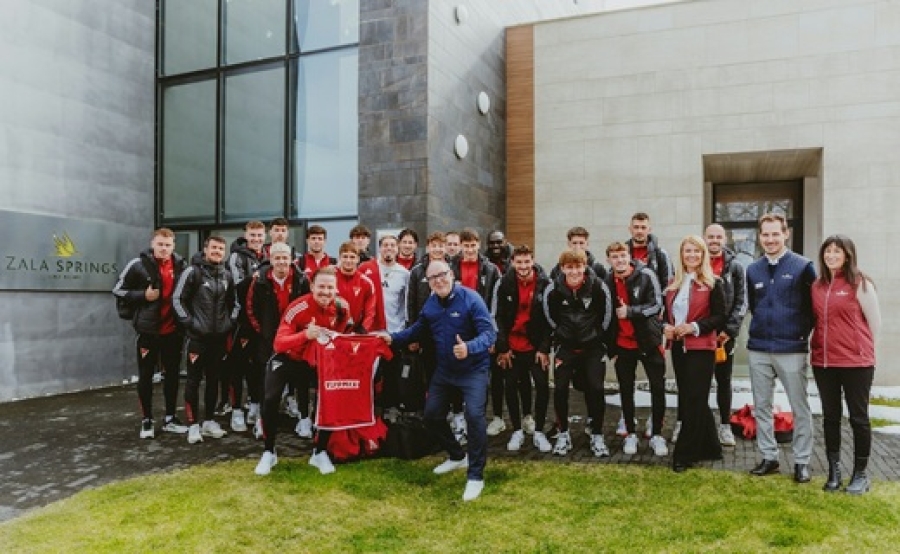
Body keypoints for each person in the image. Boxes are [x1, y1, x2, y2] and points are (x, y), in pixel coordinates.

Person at [379, 260, 497, 502]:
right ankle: (456, 455)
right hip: (445, 370)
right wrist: (392, 338)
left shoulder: (471, 299)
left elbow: (489, 334)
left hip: (473, 369)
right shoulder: (431, 303)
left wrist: (469, 347)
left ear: (451, 274)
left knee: (474, 417)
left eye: (442, 275)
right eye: (432, 278)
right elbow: (417, 330)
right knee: (432, 416)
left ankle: (475, 475)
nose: (438, 281)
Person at [255, 266, 354, 476]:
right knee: (270, 397)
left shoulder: (341, 308)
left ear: (336, 289)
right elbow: (279, 343)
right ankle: (269, 451)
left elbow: (340, 333)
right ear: (312, 286)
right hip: (288, 358)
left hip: (315, 361)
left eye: (330, 288)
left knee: (329, 398)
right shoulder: (298, 307)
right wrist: (305, 335)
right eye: (321, 287)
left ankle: (319, 452)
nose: (325, 292)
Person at [745, 213, 816, 483]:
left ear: (786, 234)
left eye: (776, 234)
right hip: (759, 348)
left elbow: (813, 308)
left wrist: (799, 333)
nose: (770, 239)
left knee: (799, 407)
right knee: (762, 406)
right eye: (765, 234)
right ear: (759, 236)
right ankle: (769, 457)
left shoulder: (803, 266)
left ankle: (801, 461)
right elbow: (754, 306)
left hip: (791, 348)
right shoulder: (753, 269)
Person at [811, 235, 881, 495]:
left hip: (856, 363)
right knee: (830, 417)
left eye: (837, 251)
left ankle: (860, 474)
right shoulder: (817, 285)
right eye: (827, 251)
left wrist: (862, 351)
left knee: (858, 418)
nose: (831, 255)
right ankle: (834, 471)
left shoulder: (861, 284)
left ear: (848, 255)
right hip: (824, 362)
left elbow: (875, 324)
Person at [112, 227, 188, 439]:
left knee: (172, 376)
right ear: (153, 244)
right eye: (160, 244)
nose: (164, 248)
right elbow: (118, 289)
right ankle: (147, 420)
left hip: (173, 332)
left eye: (168, 245)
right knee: (145, 376)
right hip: (148, 331)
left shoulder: (181, 266)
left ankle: (170, 418)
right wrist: (143, 296)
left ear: (173, 246)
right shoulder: (138, 264)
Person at [663, 235, 726, 472]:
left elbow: (720, 317)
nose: (692, 255)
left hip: (701, 348)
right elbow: (665, 315)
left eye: (696, 251)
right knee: (691, 396)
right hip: (679, 348)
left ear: (703, 255)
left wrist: (694, 327)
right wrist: (665, 327)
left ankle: (684, 454)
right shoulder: (672, 284)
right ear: (681, 255)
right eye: (688, 251)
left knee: (694, 400)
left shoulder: (713, 283)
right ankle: (711, 447)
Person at [542, 249, 612, 457]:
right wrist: (562, 335)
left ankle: (597, 433)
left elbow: (606, 317)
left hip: (592, 347)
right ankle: (563, 433)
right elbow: (549, 317)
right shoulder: (553, 289)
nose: (574, 271)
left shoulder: (598, 286)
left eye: (578, 266)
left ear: (585, 266)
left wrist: (596, 337)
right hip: (565, 347)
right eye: (569, 267)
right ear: (562, 268)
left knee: (596, 388)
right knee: (560, 389)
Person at [173, 235, 239, 444]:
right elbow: (177, 299)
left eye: (221, 249)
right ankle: (193, 425)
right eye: (214, 248)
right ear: (205, 249)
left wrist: (229, 324)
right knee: (193, 381)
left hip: (218, 340)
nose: (217, 252)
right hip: (197, 339)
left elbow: (235, 304)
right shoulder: (193, 272)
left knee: (213, 381)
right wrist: (190, 323)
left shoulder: (226, 275)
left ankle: (209, 421)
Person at [604, 242, 668, 457]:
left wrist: (630, 311)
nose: (619, 260)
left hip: (649, 341)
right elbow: (605, 315)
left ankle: (657, 434)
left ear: (629, 256)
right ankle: (630, 433)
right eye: (615, 257)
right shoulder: (607, 281)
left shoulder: (646, 275)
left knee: (657, 388)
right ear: (609, 260)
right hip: (623, 344)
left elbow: (657, 305)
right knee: (625, 389)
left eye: (623, 255)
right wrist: (611, 348)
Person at [245, 242, 310, 438]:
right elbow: (250, 309)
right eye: (277, 257)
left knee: (302, 379)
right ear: (271, 259)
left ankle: (304, 420)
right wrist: (263, 332)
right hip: (269, 339)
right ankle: (263, 421)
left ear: (291, 259)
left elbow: (308, 305)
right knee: (266, 381)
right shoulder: (259, 281)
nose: (282, 261)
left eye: (285, 257)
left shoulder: (301, 279)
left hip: (296, 338)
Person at [491, 245, 552, 452]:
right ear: (512, 262)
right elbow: (497, 316)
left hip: (535, 347)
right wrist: (502, 347)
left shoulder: (545, 284)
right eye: (519, 262)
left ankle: (539, 431)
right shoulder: (504, 282)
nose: (523, 266)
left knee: (542, 386)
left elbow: (550, 320)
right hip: (512, 347)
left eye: (527, 262)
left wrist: (544, 348)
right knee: (510, 386)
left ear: (533, 261)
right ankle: (517, 430)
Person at [450, 229, 503, 436]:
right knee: (457, 373)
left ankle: (483, 417)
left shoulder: (491, 270)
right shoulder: (451, 267)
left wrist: (491, 334)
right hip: (458, 329)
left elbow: (496, 304)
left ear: (479, 245)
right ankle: (459, 417)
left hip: (481, 330)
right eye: (466, 246)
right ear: (461, 246)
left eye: (473, 245)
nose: (470, 250)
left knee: (483, 376)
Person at [704, 224, 747, 447]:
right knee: (697, 383)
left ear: (725, 239)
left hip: (724, 337)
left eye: (718, 237)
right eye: (710, 236)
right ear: (704, 238)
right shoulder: (697, 262)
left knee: (724, 381)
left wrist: (729, 330)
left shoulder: (735, 267)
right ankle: (691, 424)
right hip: (700, 334)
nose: (714, 240)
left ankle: (725, 425)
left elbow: (742, 301)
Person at [222, 221, 266, 431]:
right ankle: (236, 410)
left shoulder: (266, 256)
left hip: (260, 321)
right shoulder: (236, 257)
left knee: (257, 366)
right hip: (241, 322)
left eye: (260, 235)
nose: (256, 239)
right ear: (246, 235)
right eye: (253, 235)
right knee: (237, 367)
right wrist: (255, 277)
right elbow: (237, 285)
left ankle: (254, 405)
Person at [359, 235, 410, 412]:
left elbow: (406, 303)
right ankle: (367, 408)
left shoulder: (404, 274)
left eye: (392, 245)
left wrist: (403, 329)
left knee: (391, 372)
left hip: (393, 331)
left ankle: (389, 409)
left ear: (397, 249)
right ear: (380, 248)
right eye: (385, 245)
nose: (389, 248)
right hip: (371, 330)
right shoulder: (366, 269)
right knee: (369, 372)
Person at [334, 241, 377, 334]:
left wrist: (363, 330)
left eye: (352, 257)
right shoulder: (330, 278)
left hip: (355, 333)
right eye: (345, 256)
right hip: (331, 332)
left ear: (358, 259)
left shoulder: (366, 282)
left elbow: (370, 312)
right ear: (339, 258)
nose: (348, 260)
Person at [626, 212, 672, 294]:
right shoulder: (623, 254)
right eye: (636, 227)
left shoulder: (661, 254)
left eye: (643, 227)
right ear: (630, 229)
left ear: (649, 230)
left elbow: (668, 285)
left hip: (654, 300)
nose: (639, 231)